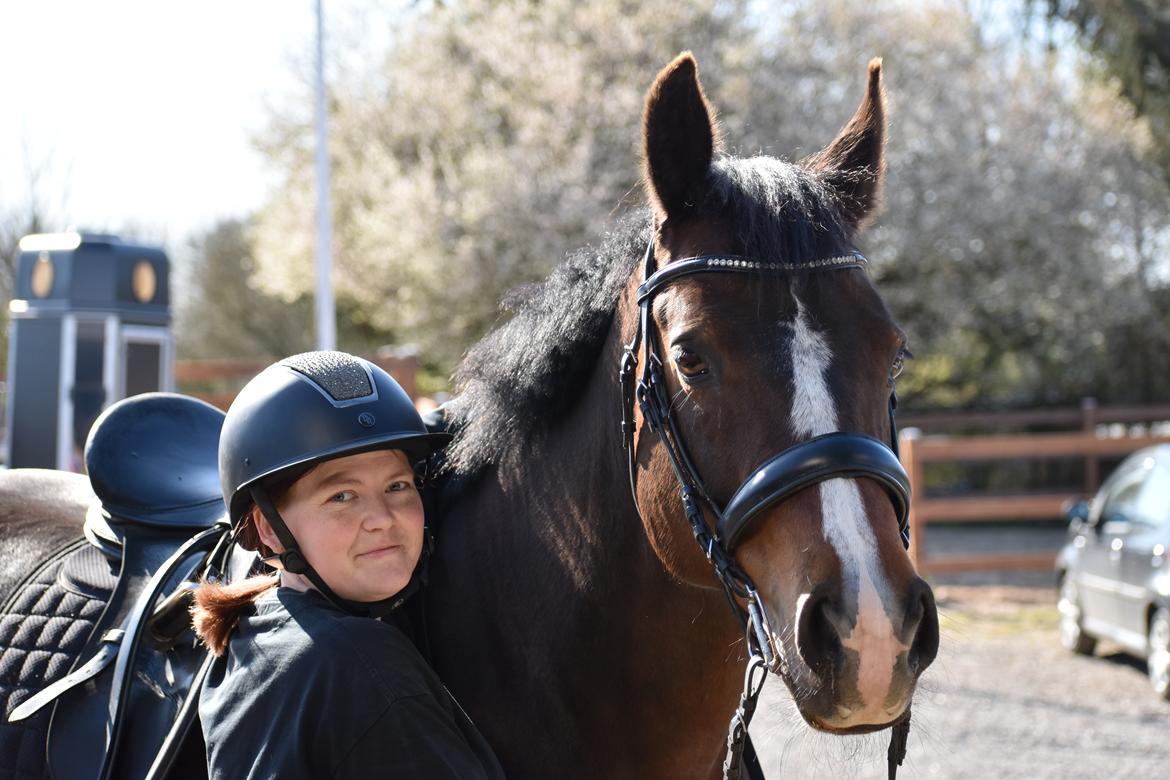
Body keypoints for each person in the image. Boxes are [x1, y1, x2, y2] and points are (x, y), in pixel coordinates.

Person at [193, 350, 505, 779]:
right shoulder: (365, 665)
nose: (382, 519)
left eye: (398, 486)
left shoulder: (255, 631)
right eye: (341, 496)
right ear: (268, 529)